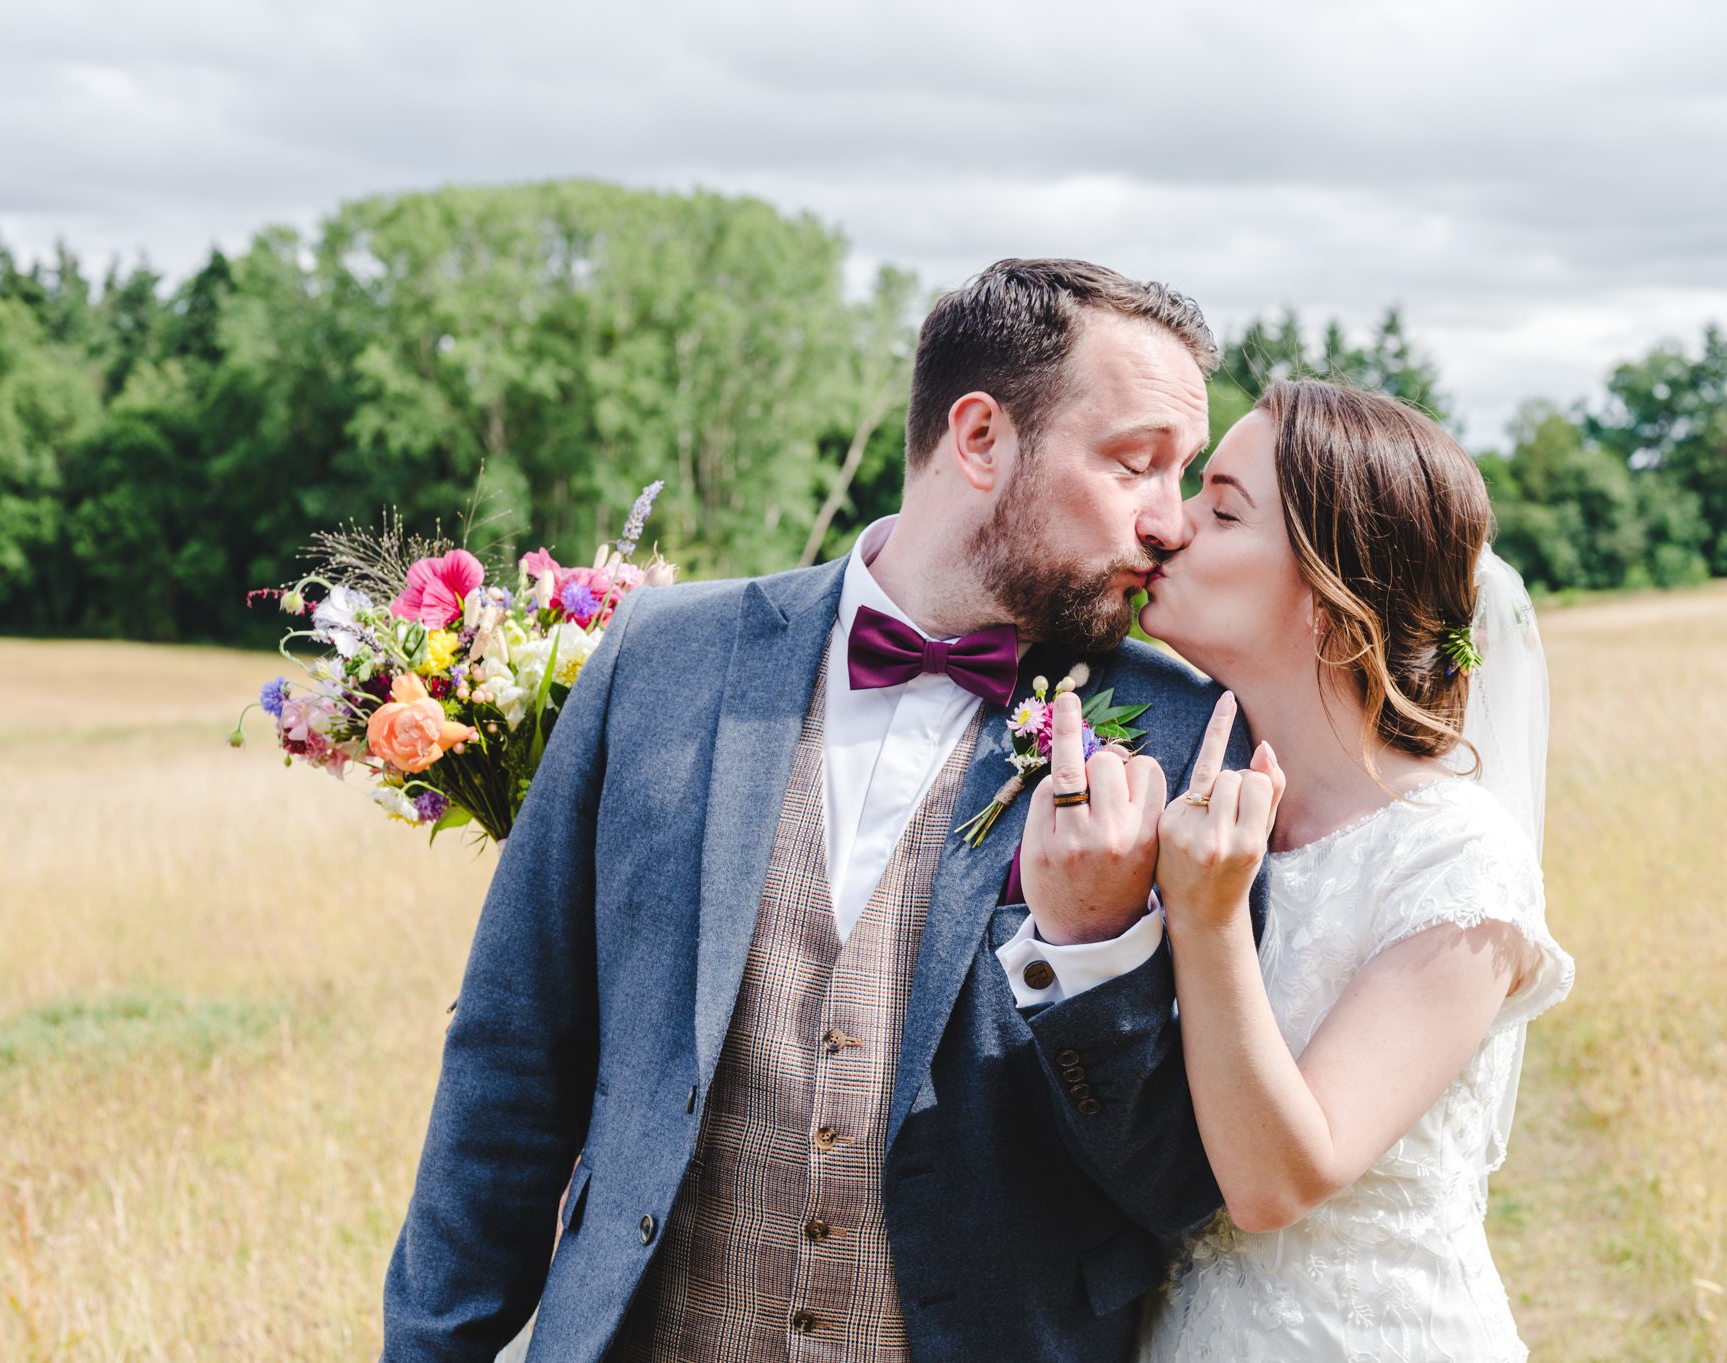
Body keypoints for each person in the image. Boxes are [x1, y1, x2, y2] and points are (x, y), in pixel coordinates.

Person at [381, 258, 1266, 1363]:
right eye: (1137, 465)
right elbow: (514, 1053)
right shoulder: (660, 660)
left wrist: (1088, 959)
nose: (1169, 524)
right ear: (981, 437)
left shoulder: (1189, 736)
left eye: (1183, 478)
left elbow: (1184, 1182)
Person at [1133, 381, 1575, 1362]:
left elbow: (1277, 1182)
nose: (1168, 526)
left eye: (1221, 507)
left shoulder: (1456, 859)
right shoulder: (1181, 790)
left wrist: (1204, 924)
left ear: (1332, 601)